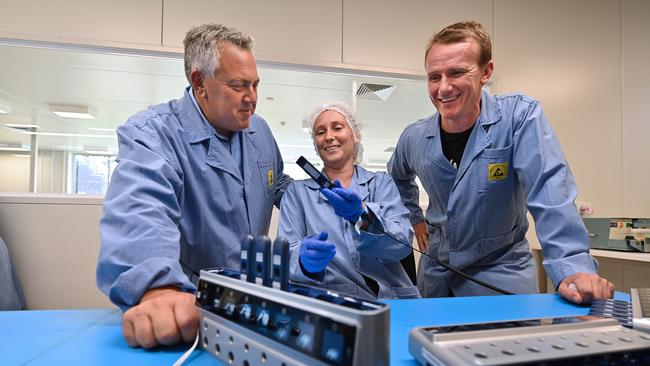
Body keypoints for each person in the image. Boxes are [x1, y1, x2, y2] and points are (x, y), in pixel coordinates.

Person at [388, 21, 614, 303]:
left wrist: (573, 267)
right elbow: (396, 178)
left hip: (501, 274)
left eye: (457, 72)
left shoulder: (518, 118)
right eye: (435, 77)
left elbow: (549, 190)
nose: (443, 88)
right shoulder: (415, 137)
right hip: (437, 277)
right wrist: (415, 220)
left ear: (486, 72)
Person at [96, 24, 291, 348]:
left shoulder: (260, 131)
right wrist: (159, 287)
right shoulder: (153, 133)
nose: (252, 98)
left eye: (255, 85)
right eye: (239, 85)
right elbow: (141, 209)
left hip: (253, 310)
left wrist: (319, 197)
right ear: (200, 82)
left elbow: (277, 183)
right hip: (190, 313)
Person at [278, 102, 420, 300]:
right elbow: (286, 255)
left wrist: (362, 217)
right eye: (320, 132)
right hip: (328, 303)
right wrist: (304, 261)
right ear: (315, 143)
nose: (329, 136)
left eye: (337, 127)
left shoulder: (380, 184)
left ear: (355, 135)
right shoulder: (298, 194)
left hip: (388, 302)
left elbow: (402, 245)